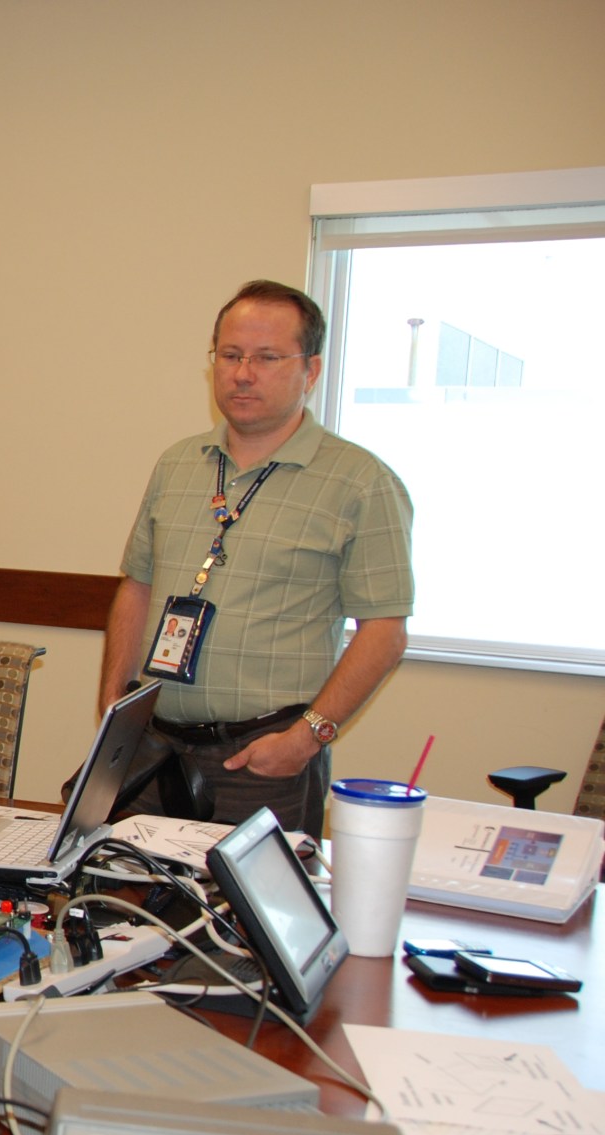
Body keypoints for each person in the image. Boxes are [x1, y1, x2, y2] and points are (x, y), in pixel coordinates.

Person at [98, 279, 414, 835]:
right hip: (153, 749)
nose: (244, 373)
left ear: (310, 370)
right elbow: (138, 585)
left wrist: (306, 738)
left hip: (264, 758)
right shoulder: (178, 464)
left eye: (268, 358)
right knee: (121, 913)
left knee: (245, 923)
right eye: (231, 355)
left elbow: (383, 630)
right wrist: (112, 705)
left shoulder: (361, 483)